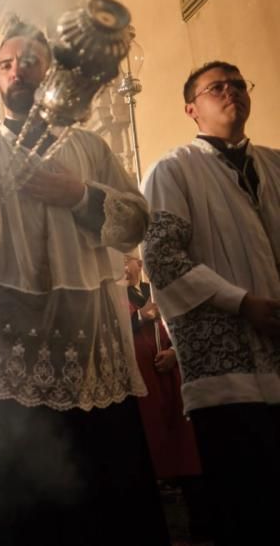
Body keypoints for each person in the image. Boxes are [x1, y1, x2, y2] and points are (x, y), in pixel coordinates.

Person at [0, 24, 167, 545]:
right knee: (18, 494)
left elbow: (138, 220)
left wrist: (80, 196)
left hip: (88, 339)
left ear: (49, 73)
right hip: (10, 341)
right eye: (7, 66)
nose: (17, 73)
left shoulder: (89, 147)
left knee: (101, 483)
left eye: (29, 63)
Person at [142, 60, 280, 545]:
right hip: (228, 374)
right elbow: (161, 258)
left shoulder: (276, 163)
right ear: (191, 108)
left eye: (239, 84)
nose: (232, 92)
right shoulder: (172, 170)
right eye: (216, 87)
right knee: (245, 510)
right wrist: (242, 303)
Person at [123, 253, 209, 540]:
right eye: (119, 261)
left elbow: (179, 324)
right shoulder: (114, 296)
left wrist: (175, 352)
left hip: (172, 379)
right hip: (142, 386)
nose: (124, 267)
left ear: (139, 264)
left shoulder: (154, 291)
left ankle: (200, 522)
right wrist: (141, 315)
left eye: (128, 260)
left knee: (185, 444)